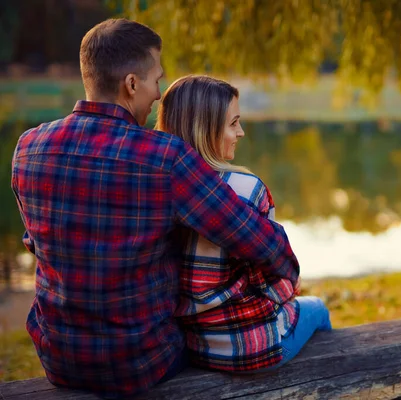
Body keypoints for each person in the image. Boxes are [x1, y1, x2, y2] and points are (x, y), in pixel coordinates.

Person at [11, 19, 300, 399]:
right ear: (132, 84)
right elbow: (260, 243)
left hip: (59, 358)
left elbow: (36, 243)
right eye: (155, 80)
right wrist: (286, 270)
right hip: (143, 363)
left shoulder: (29, 147)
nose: (160, 94)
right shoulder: (163, 157)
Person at [155, 75, 332, 373]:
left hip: (192, 347)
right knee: (318, 309)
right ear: (206, 129)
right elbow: (273, 284)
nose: (242, 132)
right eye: (233, 123)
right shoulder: (244, 189)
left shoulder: (156, 187)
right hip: (252, 348)